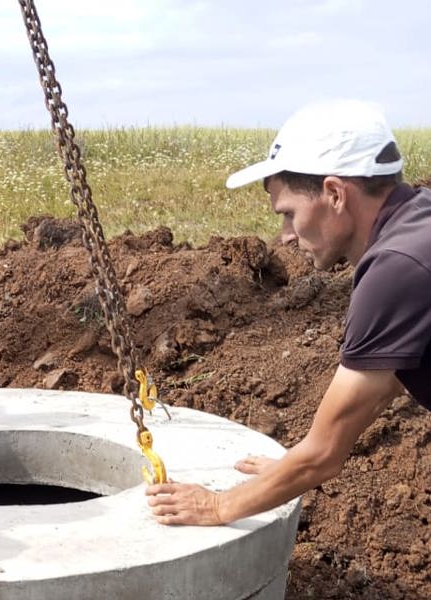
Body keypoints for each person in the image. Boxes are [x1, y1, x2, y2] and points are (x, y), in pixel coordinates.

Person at [146, 99, 431, 525]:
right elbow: (380, 385)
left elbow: (323, 456)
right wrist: (289, 468)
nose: (283, 237)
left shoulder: (396, 269)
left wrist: (218, 505)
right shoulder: (417, 224)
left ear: (334, 193)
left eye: (288, 214)